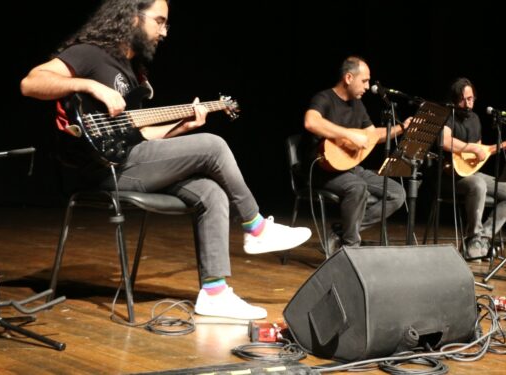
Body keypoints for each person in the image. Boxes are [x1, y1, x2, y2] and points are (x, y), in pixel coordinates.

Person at [20, 0, 311, 320]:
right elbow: (31, 83)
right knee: (213, 146)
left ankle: (214, 293)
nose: (164, 31)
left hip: (129, 160)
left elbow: (141, 138)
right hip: (100, 170)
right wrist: (89, 85)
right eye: (159, 21)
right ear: (132, 17)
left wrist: (182, 126)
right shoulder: (91, 53)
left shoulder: (133, 73)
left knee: (210, 190)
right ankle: (255, 227)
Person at [303, 56, 408, 249]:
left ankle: (343, 231)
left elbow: (372, 134)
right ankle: (351, 246)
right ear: (349, 78)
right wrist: (349, 136)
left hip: (350, 168)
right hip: (323, 170)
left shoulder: (357, 105)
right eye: (365, 81)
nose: (368, 86)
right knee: (357, 187)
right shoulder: (324, 98)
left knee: (396, 193)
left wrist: (401, 129)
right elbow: (311, 122)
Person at [440, 78, 506, 259]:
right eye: (465, 99)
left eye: (471, 98)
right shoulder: (447, 115)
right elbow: (445, 141)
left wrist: (504, 145)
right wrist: (471, 147)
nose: (469, 103)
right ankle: (473, 236)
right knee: (478, 184)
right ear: (455, 100)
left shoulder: (475, 119)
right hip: (449, 176)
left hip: (470, 172)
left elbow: (478, 155)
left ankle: (482, 238)